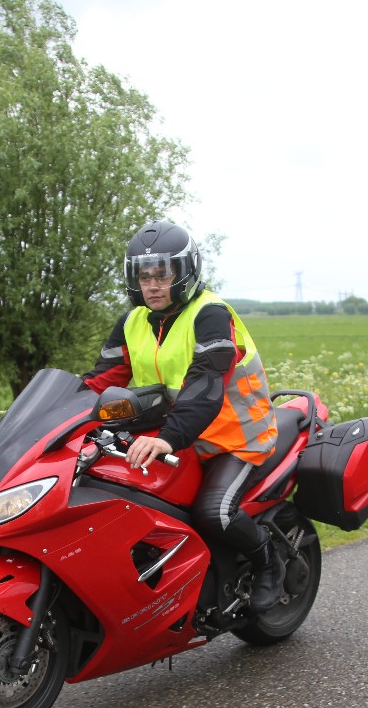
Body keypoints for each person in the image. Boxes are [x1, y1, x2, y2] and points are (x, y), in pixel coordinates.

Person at [83, 221, 284, 614]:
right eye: (145, 277)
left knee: (214, 512)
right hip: (176, 436)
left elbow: (205, 384)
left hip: (234, 437)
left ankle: (267, 559)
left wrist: (167, 438)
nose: (153, 286)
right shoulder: (132, 322)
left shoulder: (210, 315)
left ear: (185, 271)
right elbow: (99, 381)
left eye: (163, 275)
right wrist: (43, 420)